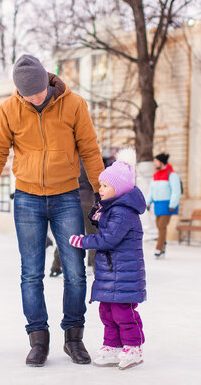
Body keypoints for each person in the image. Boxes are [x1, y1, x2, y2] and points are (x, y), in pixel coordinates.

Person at [0, 54, 105, 367]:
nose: (34, 98)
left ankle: (74, 338)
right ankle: (38, 340)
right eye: (27, 94)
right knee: (31, 273)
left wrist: (102, 195)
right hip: (27, 198)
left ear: (47, 80)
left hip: (66, 197)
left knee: (74, 269)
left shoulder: (75, 105)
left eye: (38, 92)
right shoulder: (9, 109)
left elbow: (90, 150)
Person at [68, 147, 147, 370]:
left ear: (119, 188)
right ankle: (112, 346)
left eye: (104, 186)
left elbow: (108, 239)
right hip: (112, 272)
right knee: (107, 311)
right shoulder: (114, 208)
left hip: (124, 272)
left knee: (124, 312)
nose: (100, 190)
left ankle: (133, 347)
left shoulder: (123, 212)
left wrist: (83, 241)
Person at [50, 160, 97, 277]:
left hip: (71, 201)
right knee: (93, 235)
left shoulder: (69, 161)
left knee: (68, 235)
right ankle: (96, 267)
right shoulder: (90, 161)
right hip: (88, 201)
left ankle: (56, 265)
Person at [145, 152, 181, 258]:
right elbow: (151, 190)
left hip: (167, 205)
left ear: (161, 162)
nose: (154, 163)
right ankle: (163, 244)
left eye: (156, 161)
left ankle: (159, 248)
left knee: (161, 226)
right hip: (158, 205)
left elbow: (176, 190)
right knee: (159, 226)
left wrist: (173, 204)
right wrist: (148, 202)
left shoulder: (172, 174)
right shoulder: (156, 175)